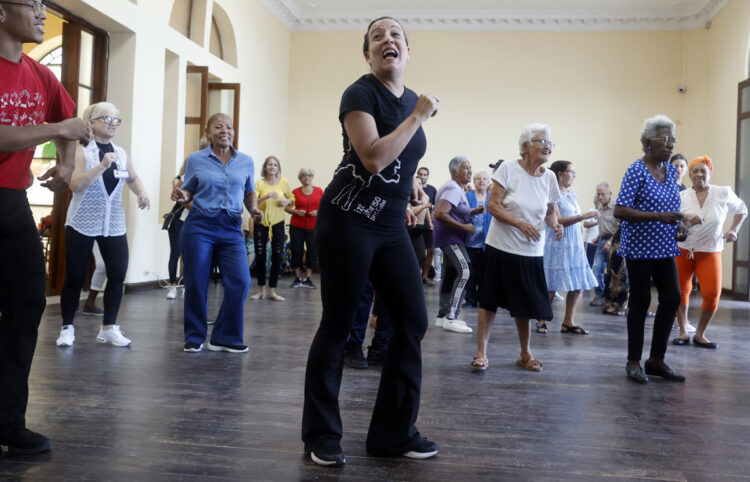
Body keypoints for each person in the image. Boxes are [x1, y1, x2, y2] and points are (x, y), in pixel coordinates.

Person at [302, 16, 440, 466]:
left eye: (396, 34)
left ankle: (393, 434)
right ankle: (321, 435)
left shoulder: (408, 100)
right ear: (368, 54)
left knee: (412, 321)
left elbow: (401, 163)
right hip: (346, 221)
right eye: (378, 37)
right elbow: (374, 157)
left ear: (408, 49)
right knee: (339, 325)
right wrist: (419, 114)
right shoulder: (360, 93)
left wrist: (412, 190)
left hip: (389, 225)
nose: (388, 40)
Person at [0, 0, 91, 454]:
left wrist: (66, 162)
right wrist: (55, 127)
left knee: (28, 304)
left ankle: (8, 422)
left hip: (12, 203)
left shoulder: (40, 75)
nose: (40, 13)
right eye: (31, 4)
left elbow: (73, 126)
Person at [56, 102, 149, 347]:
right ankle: (67, 327)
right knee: (75, 276)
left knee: (117, 273)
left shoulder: (120, 152)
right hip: (82, 221)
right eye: (106, 118)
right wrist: (101, 166)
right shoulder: (81, 150)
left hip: (113, 223)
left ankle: (109, 327)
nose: (112, 123)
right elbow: (75, 185)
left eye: (116, 120)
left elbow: (133, 177)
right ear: (92, 121)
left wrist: (141, 193)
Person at [471, 123, 563, 372]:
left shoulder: (550, 177)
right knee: (488, 300)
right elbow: (494, 206)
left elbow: (550, 210)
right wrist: (519, 224)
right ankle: (481, 353)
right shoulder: (508, 169)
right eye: (541, 142)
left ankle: (525, 353)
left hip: (531, 251)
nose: (547, 147)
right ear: (525, 146)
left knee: (524, 304)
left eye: (549, 143)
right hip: (500, 246)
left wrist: (555, 225)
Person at [172, 113, 262, 353]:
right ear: (208, 132)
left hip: (232, 227)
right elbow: (188, 191)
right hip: (200, 225)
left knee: (240, 282)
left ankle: (225, 337)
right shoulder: (196, 160)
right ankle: (194, 335)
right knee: (196, 282)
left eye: (229, 127)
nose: (225, 131)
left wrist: (253, 209)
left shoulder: (245, 161)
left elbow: (249, 191)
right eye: (219, 126)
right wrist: (182, 196)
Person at [614, 114, 687, 384]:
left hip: (665, 247)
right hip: (640, 249)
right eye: (664, 139)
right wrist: (658, 217)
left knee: (672, 298)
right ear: (647, 143)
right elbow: (620, 209)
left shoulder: (670, 172)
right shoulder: (636, 170)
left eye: (672, 140)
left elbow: (672, 211)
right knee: (640, 303)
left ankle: (656, 359)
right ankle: (633, 362)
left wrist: (680, 227)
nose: (670, 145)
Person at [672, 156, 747, 348]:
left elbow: (741, 209)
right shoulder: (681, 196)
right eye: (695, 171)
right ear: (689, 174)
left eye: (703, 171)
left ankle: (700, 334)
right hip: (683, 249)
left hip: (710, 250)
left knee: (713, 293)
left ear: (710, 173)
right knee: (680, 292)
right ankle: (682, 331)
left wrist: (733, 230)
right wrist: (684, 219)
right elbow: (671, 219)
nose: (699, 174)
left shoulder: (723, 192)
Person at [535, 160, 598, 335]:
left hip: (574, 244)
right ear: (560, 174)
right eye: (571, 172)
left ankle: (568, 321)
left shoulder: (572, 195)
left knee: (578, 284)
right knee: (551, 284)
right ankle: (542, 319)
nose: (574, 175)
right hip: (557, 243)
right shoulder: (552, 194)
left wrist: (588, 222)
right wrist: (584, 215)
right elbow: (559, 220)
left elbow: (574, 220)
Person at [433, 156, 484, 333]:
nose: (470, 171)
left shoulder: (455, 188)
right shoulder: (454, 188)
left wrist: (472, 211)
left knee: (450, 274)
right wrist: (465, 226)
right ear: (455, 171)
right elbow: (440, 213)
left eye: (471, 167)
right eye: (466, 168)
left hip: (449, 237)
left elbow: (453, 211)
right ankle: (451, 317)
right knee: (465, 271)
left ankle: (442, 316)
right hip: (451, 238)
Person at [251, 155, 294, 301]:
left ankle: (272, 291)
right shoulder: (259, 183)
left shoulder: (283, 182)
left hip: (278, 222)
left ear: (278, 168)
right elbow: (253, 202)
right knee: (260, 256)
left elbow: (292, 199)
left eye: (275, 165)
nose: (272, 167)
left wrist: (286, 201)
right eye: (269, 165)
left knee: (277, 256)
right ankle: (261, 290)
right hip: (261, 222)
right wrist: (267, 195)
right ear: (265, 167)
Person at [286, 168, 323, 288]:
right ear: (300, 178)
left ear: (312, 177)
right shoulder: (295, 192)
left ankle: (307, 278)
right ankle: (297, 278)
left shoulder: (319, 191)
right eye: (303, 175)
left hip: (313, 227)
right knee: (296, 251)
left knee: (312, 252)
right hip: (297, 226)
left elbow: (325, 207)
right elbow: (287, 208)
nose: (306, 177)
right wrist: (296, 211)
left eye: (309, 175)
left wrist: (317, 212)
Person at [464, 170, 491, 308]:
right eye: (478, 179)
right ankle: (470, 299)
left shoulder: (491, 197)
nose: (481, 181)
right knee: (470, 273)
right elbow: (461, 214)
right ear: (474, 182)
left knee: (484, 274)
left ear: (488, 182)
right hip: (470, 242)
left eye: (484, 179)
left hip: (487, 242)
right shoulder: (468, 195)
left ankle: (482, 300)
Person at [589, 182, 619, 306]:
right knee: (597, 268)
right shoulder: (600, 207)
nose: (600, 197)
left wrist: (610, 241)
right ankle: (599, 295)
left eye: (603, 194)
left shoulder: (616, 207)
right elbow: (604, 226)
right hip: (602, 241)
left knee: (613, 272)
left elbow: (620, 227)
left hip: (615, 242)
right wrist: (598, 237)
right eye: (598, 194)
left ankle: (613, 298)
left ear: (610, 193)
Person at [416, 166, 437, 285]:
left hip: (428, 226)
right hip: (415, 226)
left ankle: (424, 276)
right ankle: (415, 275)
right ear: (417, 175)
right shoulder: (413, 188)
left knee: (430, 251)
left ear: (428, 176)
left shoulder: (432, 190)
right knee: (417, 252)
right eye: (421, 174)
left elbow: (434, 206)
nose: (423, 177)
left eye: (425, 175)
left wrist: (431, 220)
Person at [81, 242, 106, 314]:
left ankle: (90, 303)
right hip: (80, 231)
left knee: (102, 265)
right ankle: (72, 301)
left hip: (105, 233)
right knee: (77, 263)